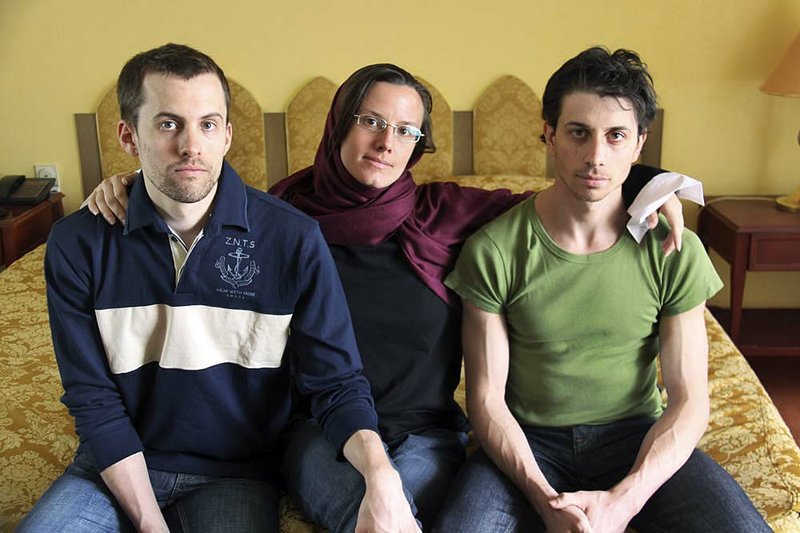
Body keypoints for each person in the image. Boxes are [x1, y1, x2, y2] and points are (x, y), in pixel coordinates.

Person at [85, 63, 689, 531]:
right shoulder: (278, 217)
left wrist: (650, 183)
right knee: (367, 515)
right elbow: (186, 205)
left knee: (405, 510)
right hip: (316, 430)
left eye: (406, 130)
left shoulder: (449, 214)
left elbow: (573, 189)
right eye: (371, 120)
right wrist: (129, 184)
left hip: (424, 432)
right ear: (340, 122)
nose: (386, 141)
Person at [19, 44, 419, 533]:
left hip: (234, 474)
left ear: (227, 135)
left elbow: (335, 382)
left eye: (208, 124)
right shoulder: (76, 242)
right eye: (168, 124)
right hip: (111, 468)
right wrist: (150, 523)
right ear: (128, 135)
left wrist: (382, 478)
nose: (192, 146)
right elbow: (91, 398)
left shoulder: (291, 237)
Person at [435, 46, 769, 532]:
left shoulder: (672, 247)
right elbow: (486, 401)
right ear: (549, 135)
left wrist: (624, 501)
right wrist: (543, 498)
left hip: (638, 436)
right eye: (578, 133)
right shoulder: (494, 249)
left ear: (639, 145)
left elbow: (689, 399)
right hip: (528, 442)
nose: (596, 157)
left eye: (616, 136)